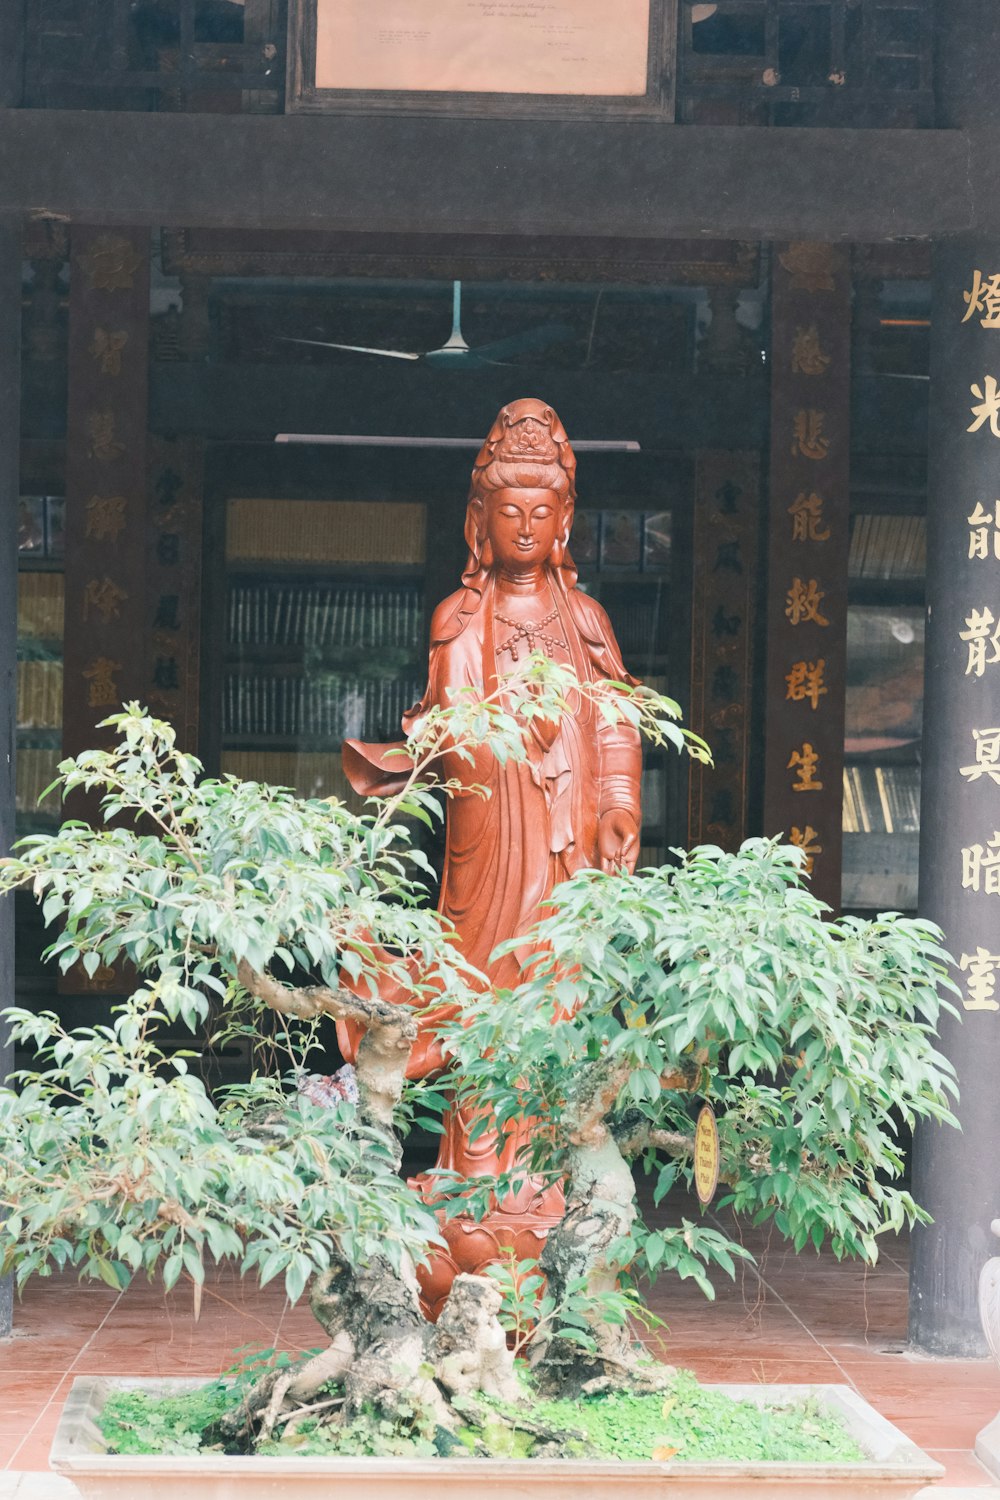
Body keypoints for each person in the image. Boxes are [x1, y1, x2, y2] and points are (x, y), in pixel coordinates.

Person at [341, 399, 643, 1310]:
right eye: (507, 510)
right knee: (479, 996)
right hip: (493, 837)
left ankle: (549, 1184)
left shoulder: (585, 618)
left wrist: (621, 801)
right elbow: (450, 726)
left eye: (540, 511)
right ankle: (473, 1176)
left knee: (557, 995)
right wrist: (417, 757)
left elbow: (620, 720)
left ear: (564, 521)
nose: (524, 526)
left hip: (568, 848)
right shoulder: (459, 616)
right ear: (482, 518)